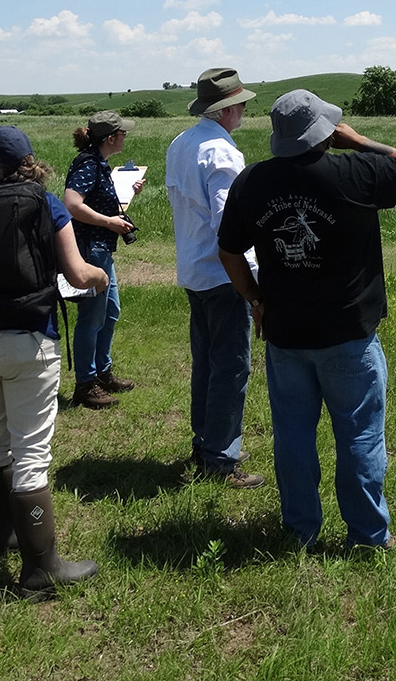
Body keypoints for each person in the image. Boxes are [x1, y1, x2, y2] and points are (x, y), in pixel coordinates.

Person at [216, 90, 396, 553]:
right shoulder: (355, 171)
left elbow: (228, 251)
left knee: (292, 434)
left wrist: (253, 297)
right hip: (349, 333)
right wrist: (358, 141)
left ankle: (300, 531)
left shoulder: (253, 181)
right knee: (360, 435)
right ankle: (368, 537)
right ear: (327, 132)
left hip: (286, 333)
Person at [0, 126, 108, 596]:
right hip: (27, 340)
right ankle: (40, 570)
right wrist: (100, 278)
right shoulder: (45, 202)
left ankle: (1, 534)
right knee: (32, 453)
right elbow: (76, 273)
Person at [164, 68, 265, 489]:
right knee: (231, 366)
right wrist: (254, 284)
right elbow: (231, 226)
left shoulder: (182, 142)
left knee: (206, 363)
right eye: (240, 103)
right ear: (227, 109)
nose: (243, 109)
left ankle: (205, 443)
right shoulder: (222, 154)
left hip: (194, 268)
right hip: (222, 274)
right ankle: (220, 459)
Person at [63, 110, 145, 409]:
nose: (125, 136)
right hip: (91, 249)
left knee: (110, 312)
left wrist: (125, 194)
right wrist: (109, 223)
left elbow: (96, 200)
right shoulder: (88, 164)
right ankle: (86, 385)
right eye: (122, 133)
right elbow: (71, 204)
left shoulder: (98, 163)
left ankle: (102, 373)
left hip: (100, 248)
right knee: (92, 317)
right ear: (111, 138)